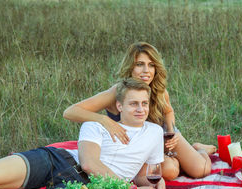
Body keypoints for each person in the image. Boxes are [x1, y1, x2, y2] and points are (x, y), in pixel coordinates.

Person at [0, 78, 165, 189]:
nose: (141, 109)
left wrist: (157, 183)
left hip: (88, 185)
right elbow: (89, 164)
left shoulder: (155, 132)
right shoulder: (97, 124)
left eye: (144, 103)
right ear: (119, 106)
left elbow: (143, 173)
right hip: (58, 159)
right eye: (134, 103)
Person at [63, 42, 216, 181]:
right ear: (130, 67)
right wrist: (104, 120)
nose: (146, 71)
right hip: (131, 150)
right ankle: (177, 161)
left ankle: (199, 149)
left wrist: (171, 130)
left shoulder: (160, 90)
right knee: (169, 170)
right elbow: (70, 112)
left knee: (200, 170)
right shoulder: (117, 92)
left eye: (151, 65)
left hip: (162, 137)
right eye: (140, 64)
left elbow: (168, 112)